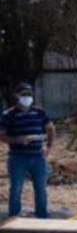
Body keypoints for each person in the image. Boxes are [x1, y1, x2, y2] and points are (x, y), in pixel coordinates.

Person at [2, 82, 55, 219]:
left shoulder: (39, 112)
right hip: (17, 157)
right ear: (16, 96)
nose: (27, 97)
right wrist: (16, 140)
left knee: (41, 189)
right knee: (16, 188)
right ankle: (14, 217)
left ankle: (41, 217)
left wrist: (49, 147)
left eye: (29, 95)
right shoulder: (9, 114)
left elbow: (50, 128)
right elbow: (1, 134)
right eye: (24, 94)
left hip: (38, 157)